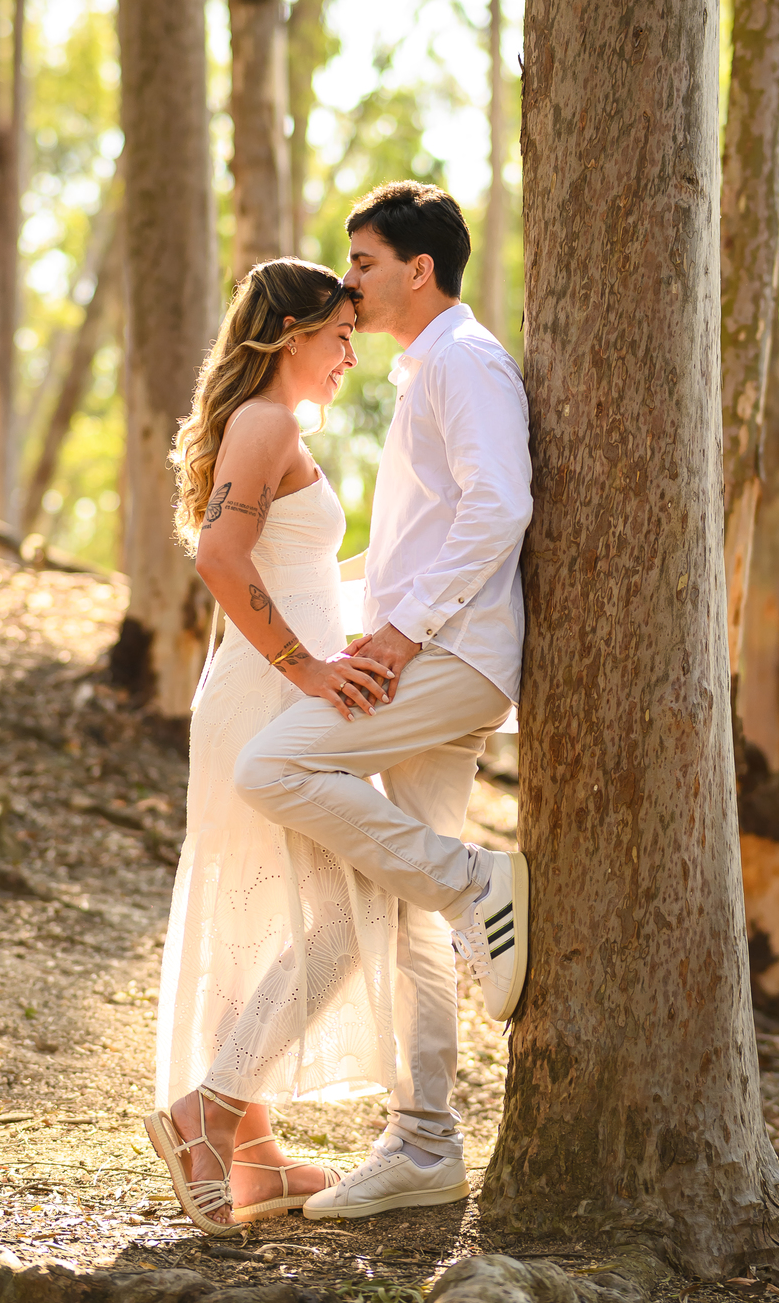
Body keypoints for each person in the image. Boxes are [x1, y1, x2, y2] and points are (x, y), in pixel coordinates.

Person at [234, 180, 533, 1222]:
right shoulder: (425, 372)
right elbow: (425, 536)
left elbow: (502, 504)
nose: (349, 280)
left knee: (273, 765)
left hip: (452, 658)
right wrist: (363, 611)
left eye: (362, 262)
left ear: (419, 266)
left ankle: (476, 882)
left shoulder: (465, 360)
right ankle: (425, 1141)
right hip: (423, 650)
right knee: (406, 905)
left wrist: (403, 634)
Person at [148, 259, 399, 1232]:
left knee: (260, 919)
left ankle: (249, 1150)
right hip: (269, 697)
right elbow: (219, 554)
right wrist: (309, 668)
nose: (347, 354)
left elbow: (287, 565)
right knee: (347, 908)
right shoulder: (268, 422)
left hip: (266, 692)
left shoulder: (265, 426)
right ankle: (206, 1112)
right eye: (338, 334)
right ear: (289, 334)